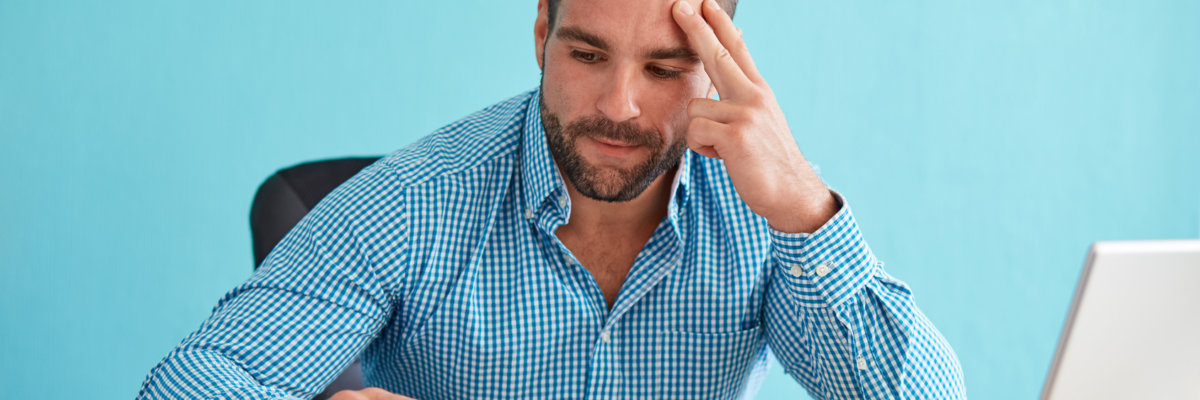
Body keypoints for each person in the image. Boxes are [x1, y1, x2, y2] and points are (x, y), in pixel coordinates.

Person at [136, 0, 966, 398]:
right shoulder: (418, 200)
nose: (620, 108)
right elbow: (194, 380)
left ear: (716, 68)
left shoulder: (758, 214)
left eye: (665, 69)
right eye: (587, 54)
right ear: (541, 33)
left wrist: (805, 211)